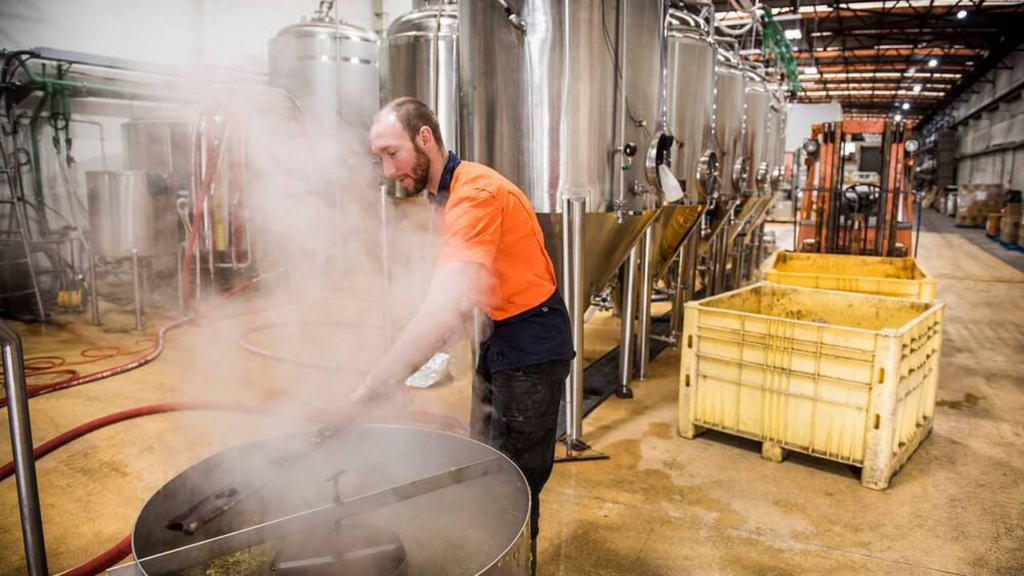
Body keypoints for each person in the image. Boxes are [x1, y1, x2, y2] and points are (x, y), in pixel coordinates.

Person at [356, 97, 574, 573]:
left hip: (532, 342)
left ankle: (519, 565)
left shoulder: (474, 195)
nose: (388, 170)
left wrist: (375, 384)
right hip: (499, 332)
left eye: (393, 153)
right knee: (485, 463)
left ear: (425, 138)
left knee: (514, 481)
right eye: (380, 158)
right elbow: (461, 295)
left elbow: (444, 306)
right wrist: (412, 366)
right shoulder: (446, 194)